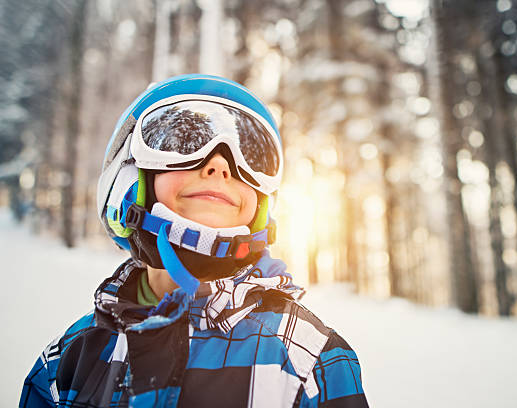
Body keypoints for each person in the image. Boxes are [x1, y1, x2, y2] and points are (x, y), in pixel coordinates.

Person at [20, 74, 368, 407]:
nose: (219, 166)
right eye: (183, 143)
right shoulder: (68, 358)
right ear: (132, 178)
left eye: (251, 154)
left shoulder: (312, 361)